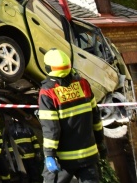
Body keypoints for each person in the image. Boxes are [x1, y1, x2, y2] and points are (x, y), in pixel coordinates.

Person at [38, 49, 107, 183]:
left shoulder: (48, 92)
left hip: (64, 160)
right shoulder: (83, 84)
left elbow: (52, 128)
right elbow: (96, 117)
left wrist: (49, 154)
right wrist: (101, 142)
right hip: (89, 156)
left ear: (48, 68)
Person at [7, 117, 42, 183]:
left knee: (34, 175)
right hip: (20, 159)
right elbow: (10, 145)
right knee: (24, 177)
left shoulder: (28, 128)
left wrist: (38, 152)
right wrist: (13, 156)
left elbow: (35, 142)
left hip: (31, 157)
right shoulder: (11, 130)